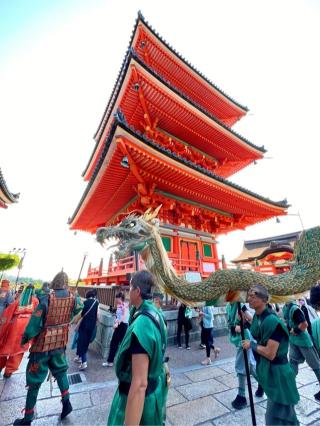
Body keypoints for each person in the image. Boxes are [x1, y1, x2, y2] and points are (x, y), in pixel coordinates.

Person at [13, 271, 83, 425]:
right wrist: (68, 320)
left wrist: (25, 337)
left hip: (42, 347)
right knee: (61, 372)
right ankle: (66, 403)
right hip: (60, 344)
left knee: (34, 380)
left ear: (54, 282)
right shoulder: (73, 298)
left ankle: (27, 418)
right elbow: (80, 307)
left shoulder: (46, 299)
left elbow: (34, 325)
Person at [108, 270, 168, 426]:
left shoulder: (142, 324)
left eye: (130, 288)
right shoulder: (156, 313)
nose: (128, 292)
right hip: (153, 393)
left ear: (138, 291)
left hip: (138, 402)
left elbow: (140, 384)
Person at [242, 284, 299, 426]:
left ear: (264, 299)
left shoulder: (273, 321)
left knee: (280, 418)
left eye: (253, 295)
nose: (249, 298)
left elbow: (270, 353)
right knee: (281, 418)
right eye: (248, 295)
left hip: (279, 375)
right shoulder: (258, 317)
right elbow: (257, 333)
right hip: (271, 373)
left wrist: (252, 345)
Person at [226, 301, 262, 410]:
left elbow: (251, 319)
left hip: (244, 339)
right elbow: (229, 324)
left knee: (241, 366)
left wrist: (242, 325)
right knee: (249, 366)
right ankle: (264, 385)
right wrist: (235, 328)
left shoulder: (240, 305)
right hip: (238, 339)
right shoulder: (229, 306)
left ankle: (241, 396)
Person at [282, 299, 320, 401]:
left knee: (315, 365)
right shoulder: (285, 307)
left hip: (303, 341)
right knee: (292, 363)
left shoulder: (295, 309)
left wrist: (296, 330)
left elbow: (304, 324)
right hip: (294, 341)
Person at [0, 284, 38, 378]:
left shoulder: (19, 300)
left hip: (16, 325)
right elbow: (37, 315)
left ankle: (0, 365)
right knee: (19, 349)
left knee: (7, 345)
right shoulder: (35, 301)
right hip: (27, 326)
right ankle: (9, 371)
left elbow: (8, 312)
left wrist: (3, 324)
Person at [102, 291, 128, 367]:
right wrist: (116, 321)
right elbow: (118, 316)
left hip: (123, 326)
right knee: (113, 343)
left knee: (123, 345)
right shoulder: (119, 305)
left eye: (117, 298)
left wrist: (118, 322)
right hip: (118, 326)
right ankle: (110, 361)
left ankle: (124, 363)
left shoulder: (124, 306)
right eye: (116, 298)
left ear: (121, 298)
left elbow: (124, 316)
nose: (116, 300)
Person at [75, 288, 99, 370]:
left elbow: (81, 314)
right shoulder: (96, 303)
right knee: (85, 342)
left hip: (84, 326)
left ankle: (84, 362)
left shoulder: (85, 303)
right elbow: (97, 315)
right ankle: (80, 357)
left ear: (87, 296)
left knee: (82, 342)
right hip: (91, 326)